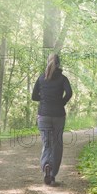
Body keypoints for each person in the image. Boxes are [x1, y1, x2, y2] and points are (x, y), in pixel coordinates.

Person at [31, 53, 72, 186]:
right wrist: (61, 102)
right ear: (59, 63)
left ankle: (46, 168)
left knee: (46, 143)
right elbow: (69, 93)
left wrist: (43, 100)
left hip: (43, 115)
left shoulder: (41, 78)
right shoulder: (63, 78)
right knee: (57, 144)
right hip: (58, 115)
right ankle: (52, 175)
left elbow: (33, 96)